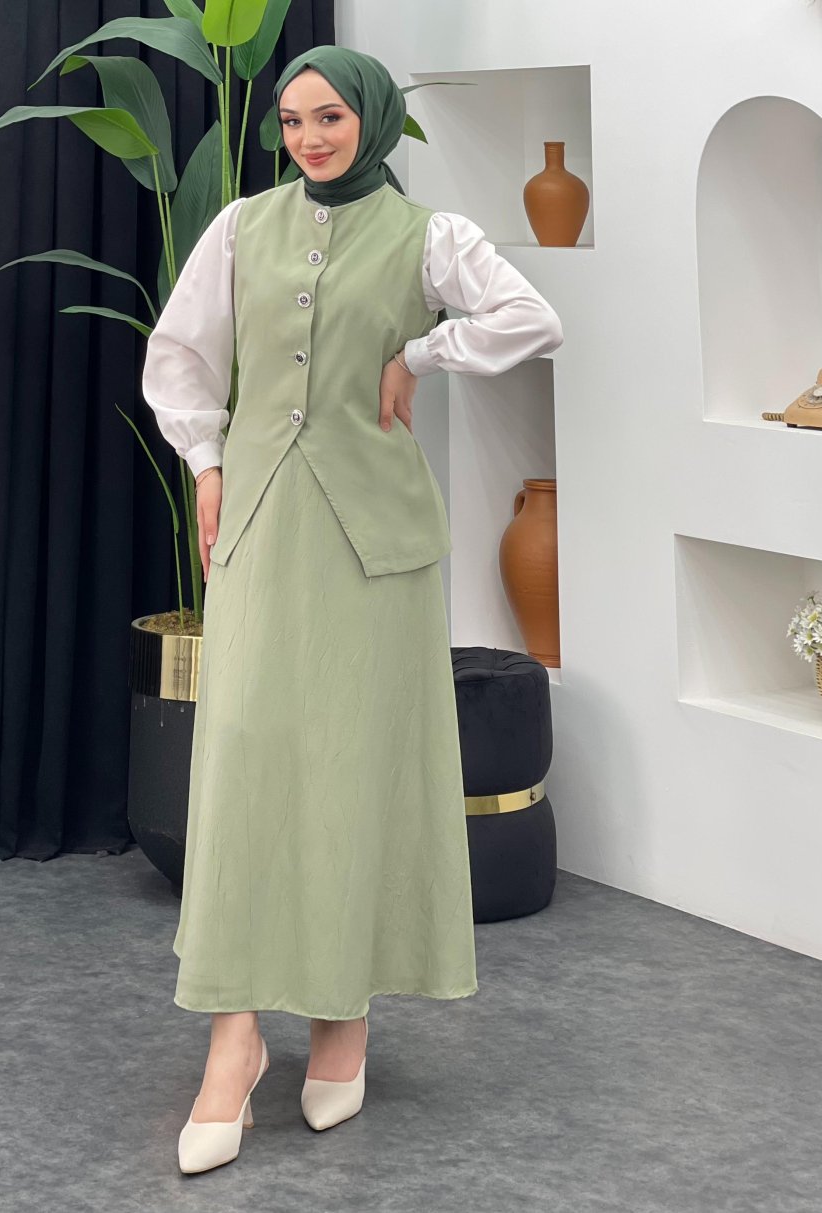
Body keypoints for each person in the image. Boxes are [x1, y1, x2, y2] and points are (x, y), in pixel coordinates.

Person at [141, 45, 564, 1174]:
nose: (309, 138)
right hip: (262, 527)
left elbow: (531, 317)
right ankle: (233, 1040)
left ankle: (343, 1021)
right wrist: (207, 463)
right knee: (242, 761)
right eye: (291, 122)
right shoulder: (242, 227)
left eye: (328, 117)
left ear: (366, 118)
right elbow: (180, 355)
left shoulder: (428, 237)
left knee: (354, 768)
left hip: (376, 547)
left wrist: (421, 351)